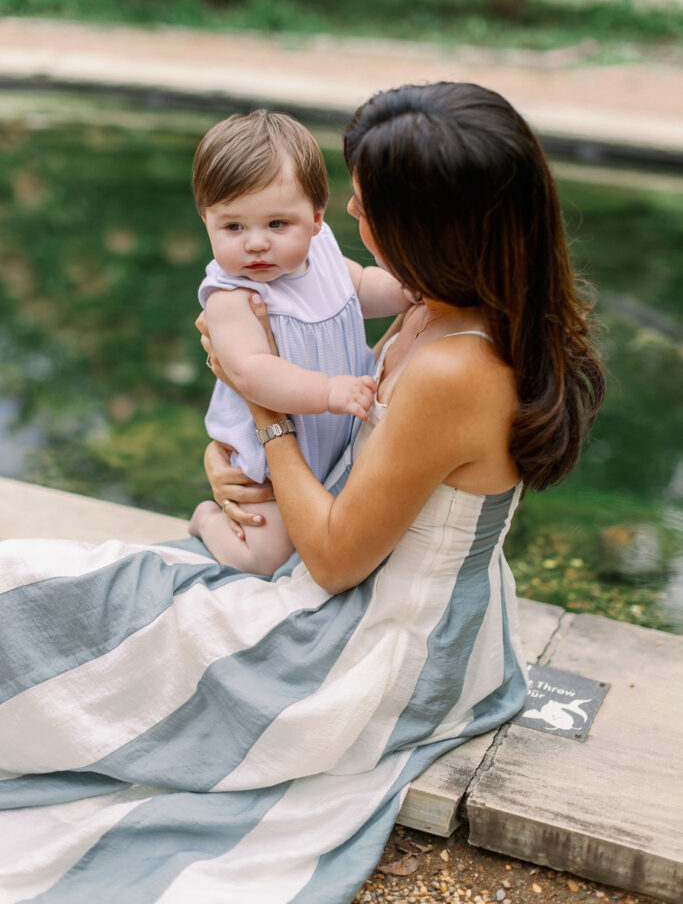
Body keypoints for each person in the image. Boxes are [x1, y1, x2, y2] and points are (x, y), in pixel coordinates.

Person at [0, 82, 604, 904]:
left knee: (38, 608)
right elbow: (358, 457)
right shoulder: (442, 304)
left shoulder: (456, 367)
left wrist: (268, 418)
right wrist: (233, 460)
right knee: (56, 596)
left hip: (365, 643)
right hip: (338, 576)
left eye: (366, 202)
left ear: (430, 226)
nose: (346, 205)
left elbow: (332, 562)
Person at [188, 109, 412, 573]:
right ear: (205, 219)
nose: (255, 244)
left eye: (276, 224)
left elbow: (360, 287)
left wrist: (404, 291)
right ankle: (206, 521)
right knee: (266, 556)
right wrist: (327, 393)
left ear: (315, 218)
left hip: (335, 431)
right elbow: (251, 370)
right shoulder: (234, 298)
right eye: (233, 227)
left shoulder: (323, 252)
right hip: (273, 459)